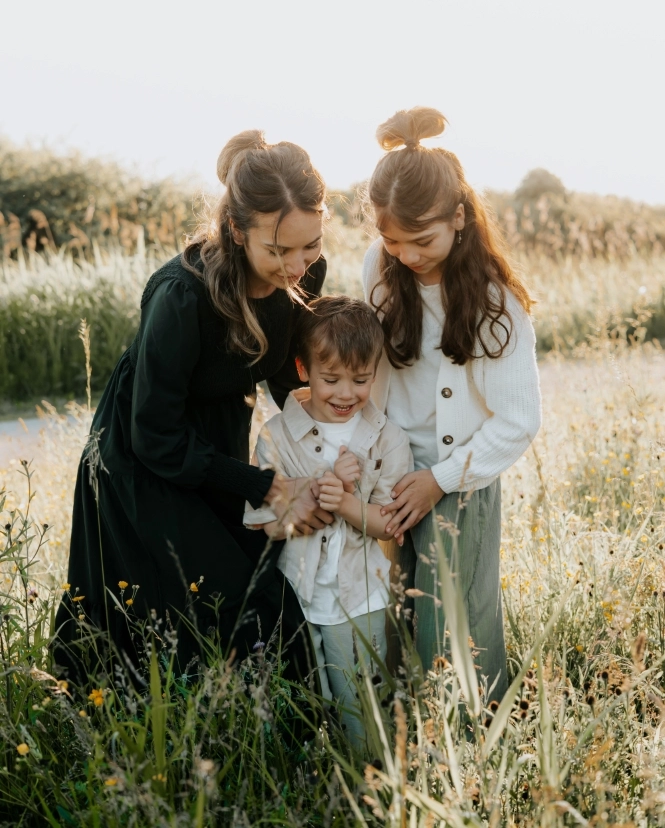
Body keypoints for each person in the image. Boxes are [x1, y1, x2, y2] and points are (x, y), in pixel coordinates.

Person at [54, 130, 333, 681]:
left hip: (214, 447)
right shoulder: (181, 297)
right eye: (278, 251)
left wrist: (324, 450)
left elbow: (282, 371)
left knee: (254, 595)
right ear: (236, 230)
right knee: (202, 602)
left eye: (312, 244)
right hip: (144, 458)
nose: (298, 265)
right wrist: (268, 486)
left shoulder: (301, 274)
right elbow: (154, 431)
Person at [362, 107, 542, 701]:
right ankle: (399, 733)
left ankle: (468, 735)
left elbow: (518, 421)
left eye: (422, 240)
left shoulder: (494, 302)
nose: (407, 254)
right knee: (386, 603)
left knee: (455, 619)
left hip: (458, 477)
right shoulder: (380, 268)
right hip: (386, 469)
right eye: (391, 239)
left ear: (459, 217)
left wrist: (438, 480)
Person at [243, 296, 412, 747]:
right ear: (303, 369)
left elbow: (390, 524)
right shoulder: (276, 435)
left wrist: (344, 503)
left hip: (360, 602)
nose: (345, 394)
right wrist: (318, 489)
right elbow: (264, 523)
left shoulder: (386, 438)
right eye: (331, 378)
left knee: (362, 714)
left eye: (360, 380)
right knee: (291, 712)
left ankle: (369, 788)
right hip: (293, 598)